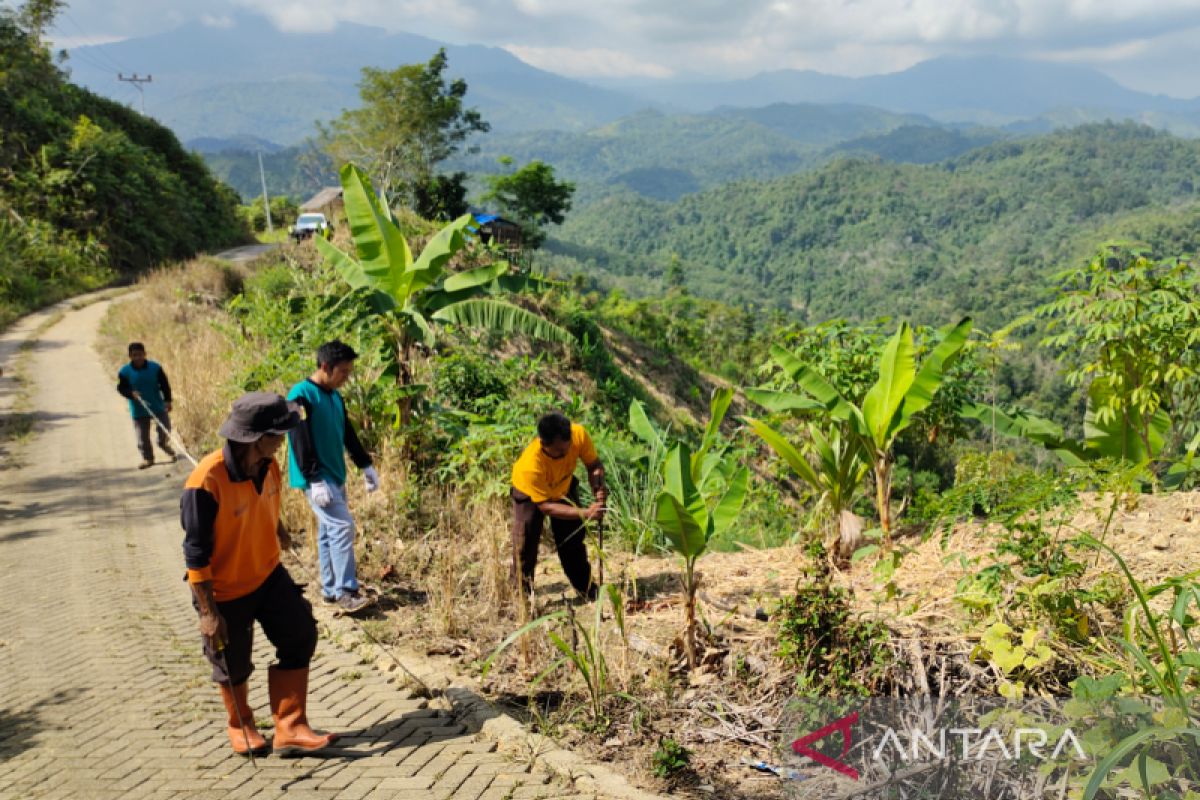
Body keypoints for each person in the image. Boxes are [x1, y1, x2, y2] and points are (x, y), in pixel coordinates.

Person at [181, 392, 338, 757]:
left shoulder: (268, 466)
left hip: (267, 575)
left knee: (300, 635)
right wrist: (208, 612)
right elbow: (194, 552)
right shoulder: (205, 482)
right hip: (222, 590)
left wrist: (278, 528)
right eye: (278, 436)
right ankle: (241, 725)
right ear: (255, 438)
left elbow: (265, 502)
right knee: (232, 664)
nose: (282, 443)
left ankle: (291, 727)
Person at [286, 341, 379, 615]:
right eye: (343, 373)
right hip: (317, 478)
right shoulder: (300, 395)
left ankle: (330, 588)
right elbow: (299, 438)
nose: (346, 379)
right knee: (342, 528)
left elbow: (347, 432)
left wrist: (365, 465)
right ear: (325, 367)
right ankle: (346, 591)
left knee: (329, 532)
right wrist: (313, 479)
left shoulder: (335, 396)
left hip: (336, 474)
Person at [510, 412, 607, 602]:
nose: (566, 454)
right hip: (531, 496)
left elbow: (594, 464)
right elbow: (546, 506)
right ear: (543, 444)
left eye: (568, 447)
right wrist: (586, 513)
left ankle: (586, 590)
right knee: (525, 546)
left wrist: (598, 486)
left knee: (572, 542)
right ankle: (520, 599)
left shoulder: (578, 434)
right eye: (559, 452)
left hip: (562, 487)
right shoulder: (531, 466)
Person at [116, 342, 175, 468]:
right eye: (134, 355)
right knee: (142, 436)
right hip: (138, 409)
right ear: (130, 356)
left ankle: (163, 443)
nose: (138, 358)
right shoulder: (124, 372)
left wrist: (168, 400)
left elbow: (165, 385)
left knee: (165, 428)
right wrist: (131, 394)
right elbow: (121, 388)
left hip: (157, 405)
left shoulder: (155, 368)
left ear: (145, 354)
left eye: (140, 354)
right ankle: (148, 458)